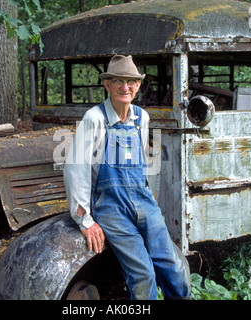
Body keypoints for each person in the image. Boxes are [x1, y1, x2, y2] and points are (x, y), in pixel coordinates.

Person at [63, 55, 190, 300]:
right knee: (143, 275)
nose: (125, 87)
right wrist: (84, 220)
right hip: (111, 207)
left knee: (174, 268)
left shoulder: (142, 118)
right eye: (118, 81)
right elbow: (76, 169)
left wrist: (147, 199)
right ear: (107, 84)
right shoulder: (95, 119)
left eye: (131, 82)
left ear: (138, 85)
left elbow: (139, 161)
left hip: (143, 201)